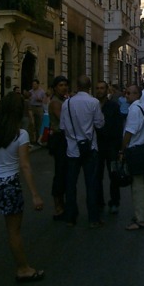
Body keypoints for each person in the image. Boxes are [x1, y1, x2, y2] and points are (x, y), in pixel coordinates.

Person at [0, 92, 44, 282]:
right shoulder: (21, 135)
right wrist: (35, 194)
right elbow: (25, 165)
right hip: (10, 183)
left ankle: (23, 268)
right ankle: (23, 268)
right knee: (13, 231)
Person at [60, 75, 105, 228]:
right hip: (90, 147)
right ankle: (93, 218)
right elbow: (99, 124)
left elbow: (63, 126)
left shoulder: (67, 103)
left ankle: (70, 217)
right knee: (91, 184)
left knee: (71, 184)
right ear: (90, 86)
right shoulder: (94, 102)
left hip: (72, 149)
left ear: (76, 86)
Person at [119, 85, 144, 231]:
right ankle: (142, 214)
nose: (127, 95)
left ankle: (141, 219)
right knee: (141, 183)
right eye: (127, 93)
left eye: (130, 93)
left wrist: (122, 149)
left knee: (137, 186)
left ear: (138, 94)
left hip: (135, 150)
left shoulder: (134, 109)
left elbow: (129, 132)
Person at [95, 81, 123, 213]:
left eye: (102, 88)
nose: (99, 90)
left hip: (111, 146)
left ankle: (114, 201)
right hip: (97, 147)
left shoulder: (113, 106)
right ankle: (99, 201)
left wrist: (119, 148)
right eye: (98, 88)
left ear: (107, 90)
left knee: (114, 175)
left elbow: (118, 127)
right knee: (97, 175)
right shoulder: (93, 105)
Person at [48, 76, 69, 220]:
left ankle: (62, 204)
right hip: (59, 138)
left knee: (64, 171)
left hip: (63, 138)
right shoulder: (56, 102)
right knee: (60, 171)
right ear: (55, 87)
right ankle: (58, 206)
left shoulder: (63, 100)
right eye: (61, 85)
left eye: (65, 85)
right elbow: (63, 121)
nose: (64, 87)